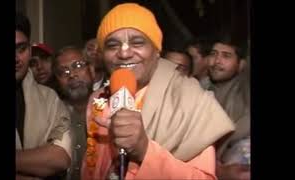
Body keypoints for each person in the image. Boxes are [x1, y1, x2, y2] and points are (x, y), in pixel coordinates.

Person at [80, 3, 235, 180]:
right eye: (112, 45)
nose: (124, 53)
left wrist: (145, 150)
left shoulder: (189, 99)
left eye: (137, 43)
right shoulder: (97, 98)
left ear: (156, 51)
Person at [16, 12, 71, 180]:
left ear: (29, 50)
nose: (16, 58)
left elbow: (60, 157)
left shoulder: (49, 98)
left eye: (21, 49)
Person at [207, 32, 250, 180]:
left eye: (226, 56)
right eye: (214, 54)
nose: (217, 61)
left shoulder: (243, 86)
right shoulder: (203, 88)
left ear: (242, 64)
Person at [53, 46, 94, 180]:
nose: (71, 74)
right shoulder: (52, 113)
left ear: (91, 69)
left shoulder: (110, 108)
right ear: (57, 81)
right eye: (63, 71)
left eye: (77, 65)